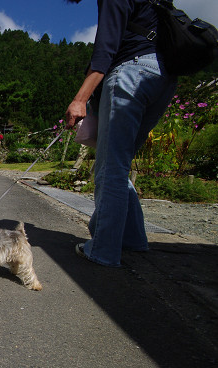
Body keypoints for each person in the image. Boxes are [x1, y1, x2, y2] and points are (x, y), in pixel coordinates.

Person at [64, 0, 177, 267]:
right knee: (120, 163)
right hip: (164, 77)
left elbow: (105, 49)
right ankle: (133, 238)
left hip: (131, 72)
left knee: (110, 167)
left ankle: (103, 249)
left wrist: (81, 99)